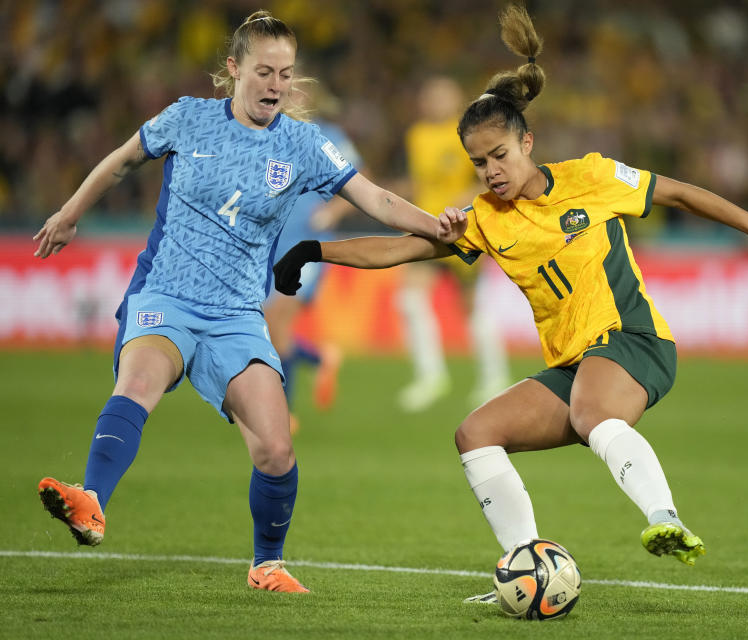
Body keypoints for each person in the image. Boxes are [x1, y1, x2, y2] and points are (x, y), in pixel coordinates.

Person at [273, 4, 748, 601]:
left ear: (527, 141)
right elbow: (401, 249)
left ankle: (664, 516)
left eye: (500, 156)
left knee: (593, 415)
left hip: (634, 341)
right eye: (478, 163)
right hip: (574, 365)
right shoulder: (484, 219)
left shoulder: (591, 177)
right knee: (475, 432)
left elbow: (681, 194)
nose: (490, 172)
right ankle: (526, 566)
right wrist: (314, 250)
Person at [33, 10, 463, 593]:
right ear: (234, 69)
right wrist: (69, 213)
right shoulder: (187, 119)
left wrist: (438, 227)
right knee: (137, 386)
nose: (276, 86)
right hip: (167, 295)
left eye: (286, 74)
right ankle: (91, 500)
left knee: (276, 445)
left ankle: (267, 564)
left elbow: (379, 200)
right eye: (264, 71)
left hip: (238, 315)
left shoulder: (304, 144)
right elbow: (122, 160)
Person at [395, 75, 510, 412]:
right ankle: (430, 377)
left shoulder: (468, 137)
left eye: (442, 96)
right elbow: (420, 183)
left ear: (457, 101)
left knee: (472, 307)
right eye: (429, 95)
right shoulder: (416, 136)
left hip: (464, 229)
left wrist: (460, 206)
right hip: (427, 228)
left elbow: (482, 179)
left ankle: (495, 376)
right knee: (409, 298)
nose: (434, 102)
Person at [263, 84, 361, 431]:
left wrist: (332, 212)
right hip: (268, 245)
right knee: (267, 328)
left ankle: (283, 414)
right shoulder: (265, 136)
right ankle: (321, 357)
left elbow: (358, 180)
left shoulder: (327, 136)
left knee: (278, 325)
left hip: (307, 246)